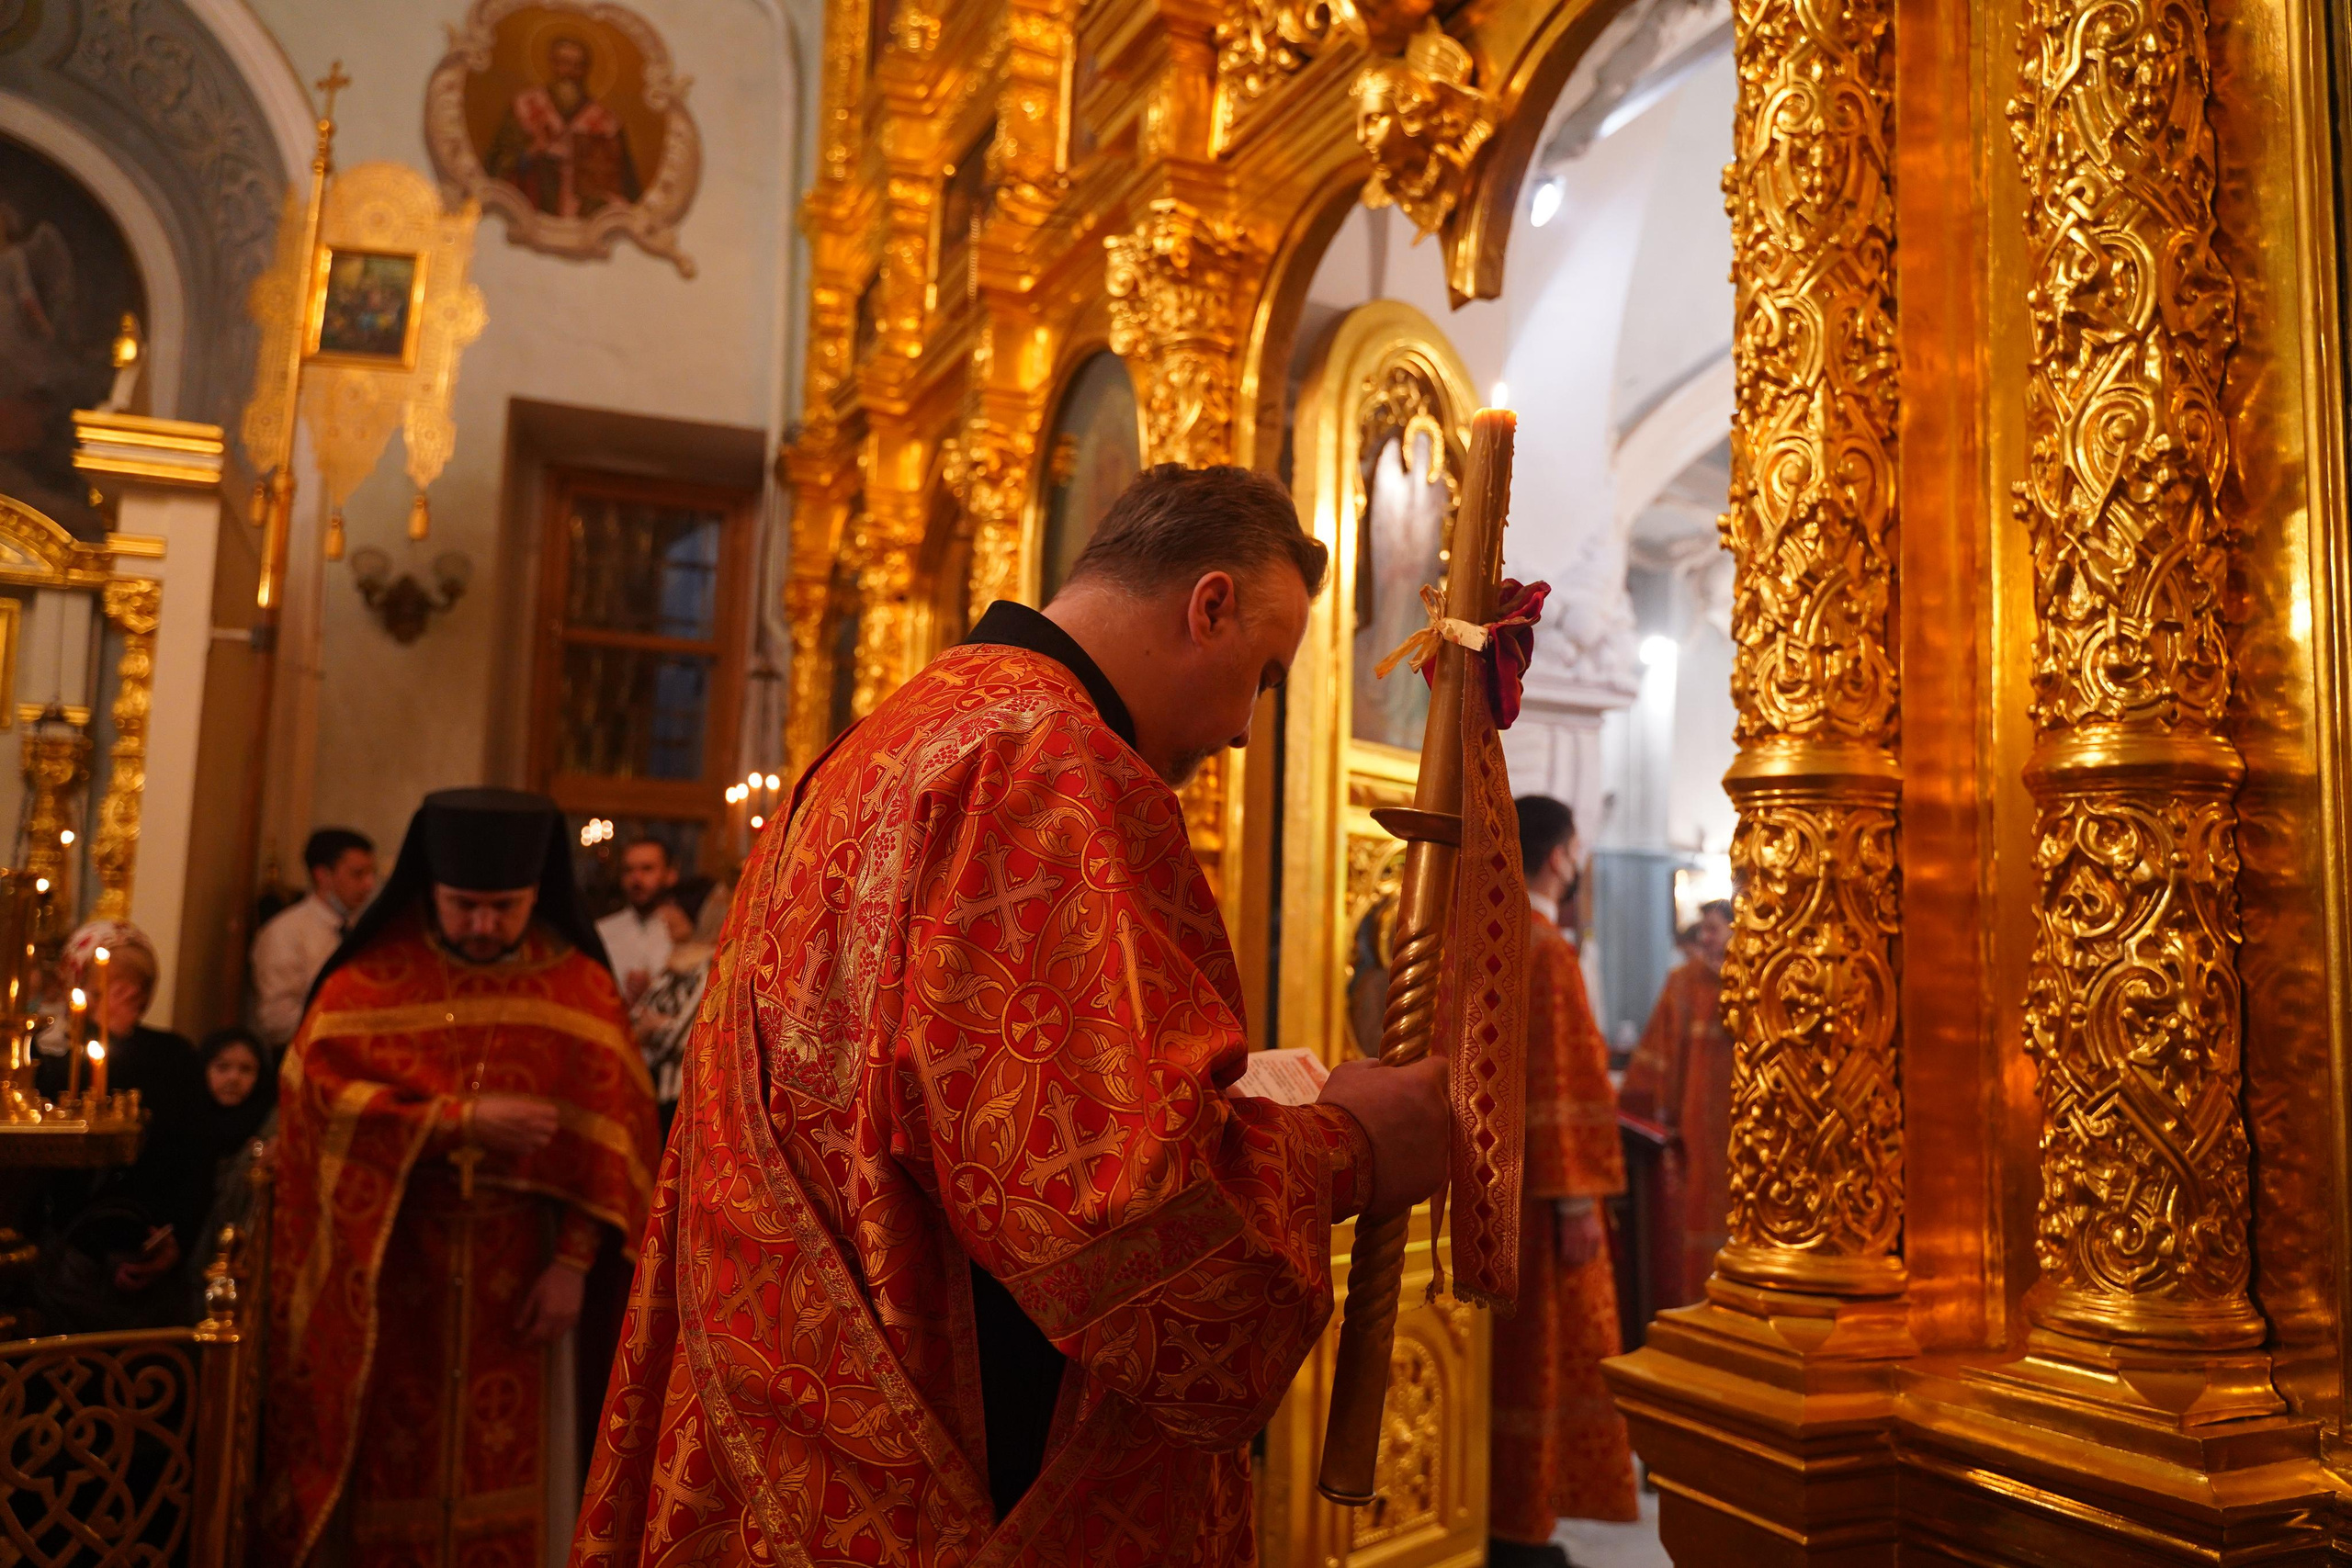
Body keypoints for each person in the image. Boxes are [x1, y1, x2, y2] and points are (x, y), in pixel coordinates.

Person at [571, 464, 1450, 1566]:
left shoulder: (890, 740)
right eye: (1263, 679)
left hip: (795, 1406)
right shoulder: (1050, 763)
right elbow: (1111, 1209)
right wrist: (1350, 1145)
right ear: (1208, 603)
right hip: (955, 1457)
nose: (1239, 730)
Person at [258, 788, 659, 1568]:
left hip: (525, 1274)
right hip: (391, 1271)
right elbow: (315, 1098)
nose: (482, 924)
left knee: (519, 1471)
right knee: (389, 1462)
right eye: (463, 905)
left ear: (537, 890)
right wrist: (458, 1121)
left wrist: (575, 1265)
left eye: (503, 908)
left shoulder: (576, 984)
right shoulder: (369, 979)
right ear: (428, 889)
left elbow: (618, 1140)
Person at [1490, 798, 1637, 1566]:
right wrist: (1579, 1197)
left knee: (1511, 1360)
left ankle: (1506, 1510)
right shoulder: (1543, 945)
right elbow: (1557, 1079)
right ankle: (1524, 1522)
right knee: (1544, 1355)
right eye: (1576, 846)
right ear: (1558, 856)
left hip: (1497, 1190)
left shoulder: (1489, 935)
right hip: (1547, 1198)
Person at [32, 921, 206, 1330]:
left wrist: (173, 1244)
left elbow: (196, 1161)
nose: (126, 998)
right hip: (63, 1263)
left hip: (152, 1257)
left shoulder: (174, 1057)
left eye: (138, 988)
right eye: (105, 989)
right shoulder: (47, 1057)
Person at [1619, 896, 1734, 1308]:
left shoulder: (1757, 982)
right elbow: (1656, 1059)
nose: (1704, 938)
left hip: (1749, 1130)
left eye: (1712, 929)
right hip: (1698, 1131)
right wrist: (1654, 1113)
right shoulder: (1684, 983)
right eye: (1701, 929)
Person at [483, 34, 642, 220]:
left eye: (578, 65)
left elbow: (626, 185)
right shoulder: (525, 107)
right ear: (553, 64)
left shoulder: (606, 122)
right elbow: (496, 164)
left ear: (586, 69)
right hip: (533, 206)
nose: (570, 72)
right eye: (564, 63)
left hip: (584, 219)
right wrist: (530, 152)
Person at [250, 827, 378, 1049]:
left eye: (370, 874)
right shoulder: (286, 932)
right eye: (358, 874)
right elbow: (277, 1021)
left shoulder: (364, 928)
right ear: (322, 875)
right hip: (303, 1056)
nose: (369, 884)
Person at [180, 1027, 278, 1311]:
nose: (233, 1078)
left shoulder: (265, 1135)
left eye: (246, 1069)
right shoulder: (189, 1119)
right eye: (222, 1067)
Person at [626, 875, 730, 1137]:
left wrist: (655, 1029)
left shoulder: (710, 966)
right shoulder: (676, 961)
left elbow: (687, 1036)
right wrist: (650, 1028)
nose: (664, 918)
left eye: (674, 910)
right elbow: (636, 1020)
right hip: (652, 1089)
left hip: (683, 1096)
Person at [595, 836, 677, 1003]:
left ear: (670, 874)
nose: (636, 879)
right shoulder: (602, 931)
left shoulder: (684, 931)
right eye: (628, 870)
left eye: (647, 869)